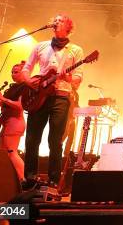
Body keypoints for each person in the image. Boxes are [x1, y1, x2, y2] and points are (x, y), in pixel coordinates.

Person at [21, 14, 84, 187]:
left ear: (68, 27)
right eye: (54, 20)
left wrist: (68, 78)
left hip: (61, 97)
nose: (56, 22)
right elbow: (26, 69)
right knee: (32, 138)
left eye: (60, 20)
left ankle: (53, 180)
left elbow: (79, 77)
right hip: (39, 96)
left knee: (55, 140)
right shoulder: (40, 46)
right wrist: (28, 81)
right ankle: (30, 177)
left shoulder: (76, 50)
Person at [0, 61, 27, 182]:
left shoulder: (25, 87)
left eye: (16, 72)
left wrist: (2, 98)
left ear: (23, 73)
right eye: (12, 72)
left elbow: (20, 106)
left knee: (11, 152)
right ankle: (3, 180)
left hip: (15, 122)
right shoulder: (13, 87)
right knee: (2, 153)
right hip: (7, 122)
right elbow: (6, 103)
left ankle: (23, 179)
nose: (13, 74)